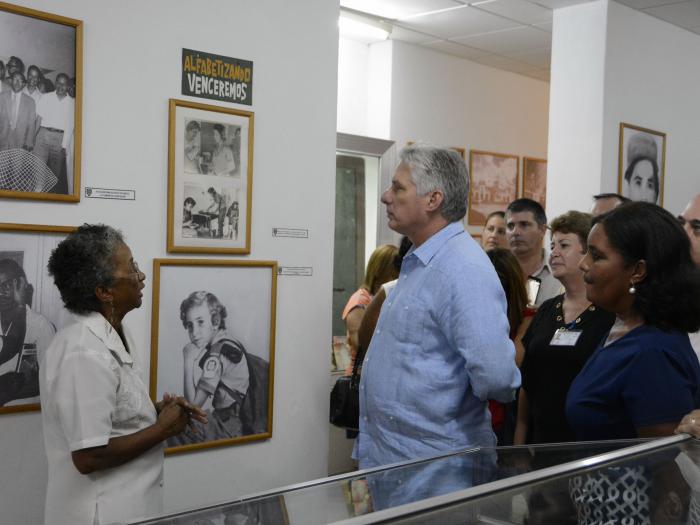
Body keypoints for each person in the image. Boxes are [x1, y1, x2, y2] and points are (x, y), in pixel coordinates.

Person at [356, 145, 520, 468]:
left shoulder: (463, 268)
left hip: (438, 469)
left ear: (433, 200)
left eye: (398, 188)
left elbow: (497, 377)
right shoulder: (420, 260)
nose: (386, 197)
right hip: (401, 463)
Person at [40, 224, 206, 525]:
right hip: (99, 514)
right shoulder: (83, 352)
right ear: (104, 292)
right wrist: (163, 429)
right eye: (132, 268)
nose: (141, 276)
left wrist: (154, 410)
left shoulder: (114, 332)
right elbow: (88, 456)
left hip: (127, 507)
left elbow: (111, 415)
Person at [566, 202, 700, 440]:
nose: (583, 263)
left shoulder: (653, 352)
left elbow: (662, 458)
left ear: (638, 271)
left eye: (596, 255)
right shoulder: (623, 328)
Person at [514, 211, 615, 445]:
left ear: (588, 253)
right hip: (540, 441)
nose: (554, 253)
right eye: (552, 246)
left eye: (564, 245)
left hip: (588, 444)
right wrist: (519, 441)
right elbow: (528, 382)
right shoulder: (547, 310)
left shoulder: (609, 312)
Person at [174, 291, 269, 445]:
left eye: (200, 322)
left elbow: (193, 407)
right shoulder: (229, 342)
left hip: (228, 427)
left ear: (215, 321)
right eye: (190, 325)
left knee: (173, 429)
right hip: (232, 421)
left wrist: (188, 361)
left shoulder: (216, 355)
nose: (194, 333)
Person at [485, 247, 535, 445]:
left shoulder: (528, 319)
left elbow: (507, 366)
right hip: (473, 418)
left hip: (504, 421)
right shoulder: (475, 317)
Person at [0, 259, 55, 406]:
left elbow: (50, 380)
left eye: (7, 285)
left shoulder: (41, 326)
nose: (1, 292)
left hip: (23, 411)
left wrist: (7, 394)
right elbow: (10, 346)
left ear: (21, 285)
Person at [341, 244, 398, 375]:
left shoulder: (389, 297)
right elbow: (360, 344)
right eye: (394, 273)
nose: (398, 277)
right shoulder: (360, 301)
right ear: (378, 270)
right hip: (361, 374)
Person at [505, 198, 562, 306]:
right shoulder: (495, 270)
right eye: (510, 226)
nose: (515, 232)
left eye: (524, 225)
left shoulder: (560, 272)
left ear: (542, 230)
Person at [35, 73, 74, 194]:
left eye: (64, 84)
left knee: (54, 173)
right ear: (55, 83)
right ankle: (37, 192)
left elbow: (70, 126)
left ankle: (50, 195)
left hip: (60, 139)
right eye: (58, 83)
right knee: (38, 168)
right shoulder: (46, 97)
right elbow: (38, 119)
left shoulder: (72, 103)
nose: (60, 86)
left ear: (68, 86)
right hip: (43, 135)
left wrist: (64, 145)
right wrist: (33, 137)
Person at [0, 72, 37, 152]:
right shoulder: (2, 97)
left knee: (17, 161)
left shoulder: (30, 102)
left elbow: (31, 125)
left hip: (20, 141)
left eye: (20, 80)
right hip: (2, 139)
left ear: (24, 84)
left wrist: (29, 143)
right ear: (11, 81)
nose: (17, 82)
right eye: (15, 79)